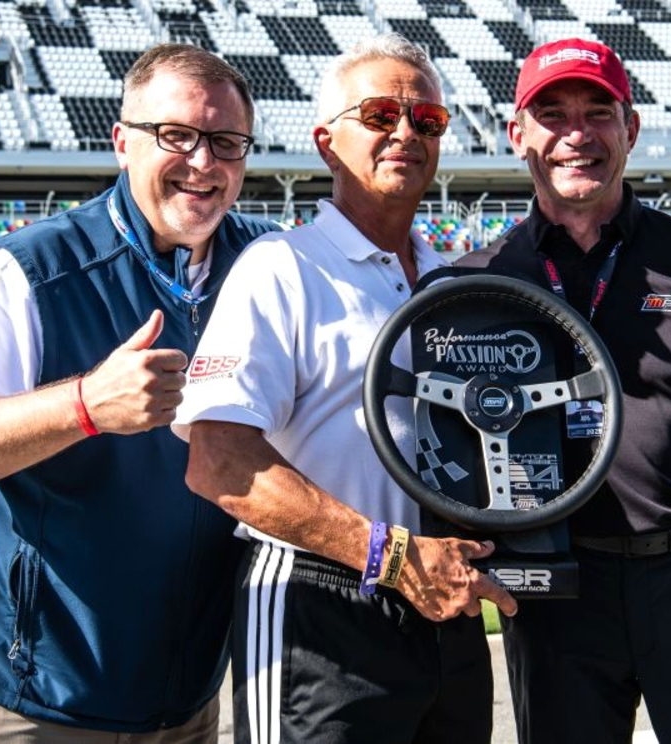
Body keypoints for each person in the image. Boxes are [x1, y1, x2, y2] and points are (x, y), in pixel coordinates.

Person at [0, 43, 279, 742]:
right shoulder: (33, 269)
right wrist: (85, 405)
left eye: (227, 142)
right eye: (176, 135)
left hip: (186, 689)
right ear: (122, 142)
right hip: (32, 690)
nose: (203, 161)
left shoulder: (266, 264)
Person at [172, 34, 518, 744]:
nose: (406, 133)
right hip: (319, 601)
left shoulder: (453, 281)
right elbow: (218, 461)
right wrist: (392, 556)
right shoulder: (281, 265)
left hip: (446, 603)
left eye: (427, 120)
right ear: (327, 144)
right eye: (381, 114)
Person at [455, 38, 671, 743]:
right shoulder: (474, 283)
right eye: (553, 114)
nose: (576, 134)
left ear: (631, 129)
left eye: (598, 113)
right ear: (517, 134)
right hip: (555, 591)